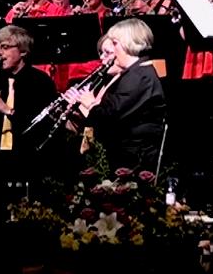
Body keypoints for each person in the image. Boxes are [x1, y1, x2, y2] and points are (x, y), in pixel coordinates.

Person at [0, 25, 58, 225]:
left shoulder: (40, 82)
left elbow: (39, 126)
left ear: (23, 51)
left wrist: (6, 109)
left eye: (5, 47)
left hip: (28, 151)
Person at [63, 19, 167, 172]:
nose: (111, 49)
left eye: (115, 43)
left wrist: (89, 103)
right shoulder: (133, 73)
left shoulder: (140, 76)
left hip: (134, 160)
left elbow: (110, 117)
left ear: (129, 44)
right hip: (124, 153)